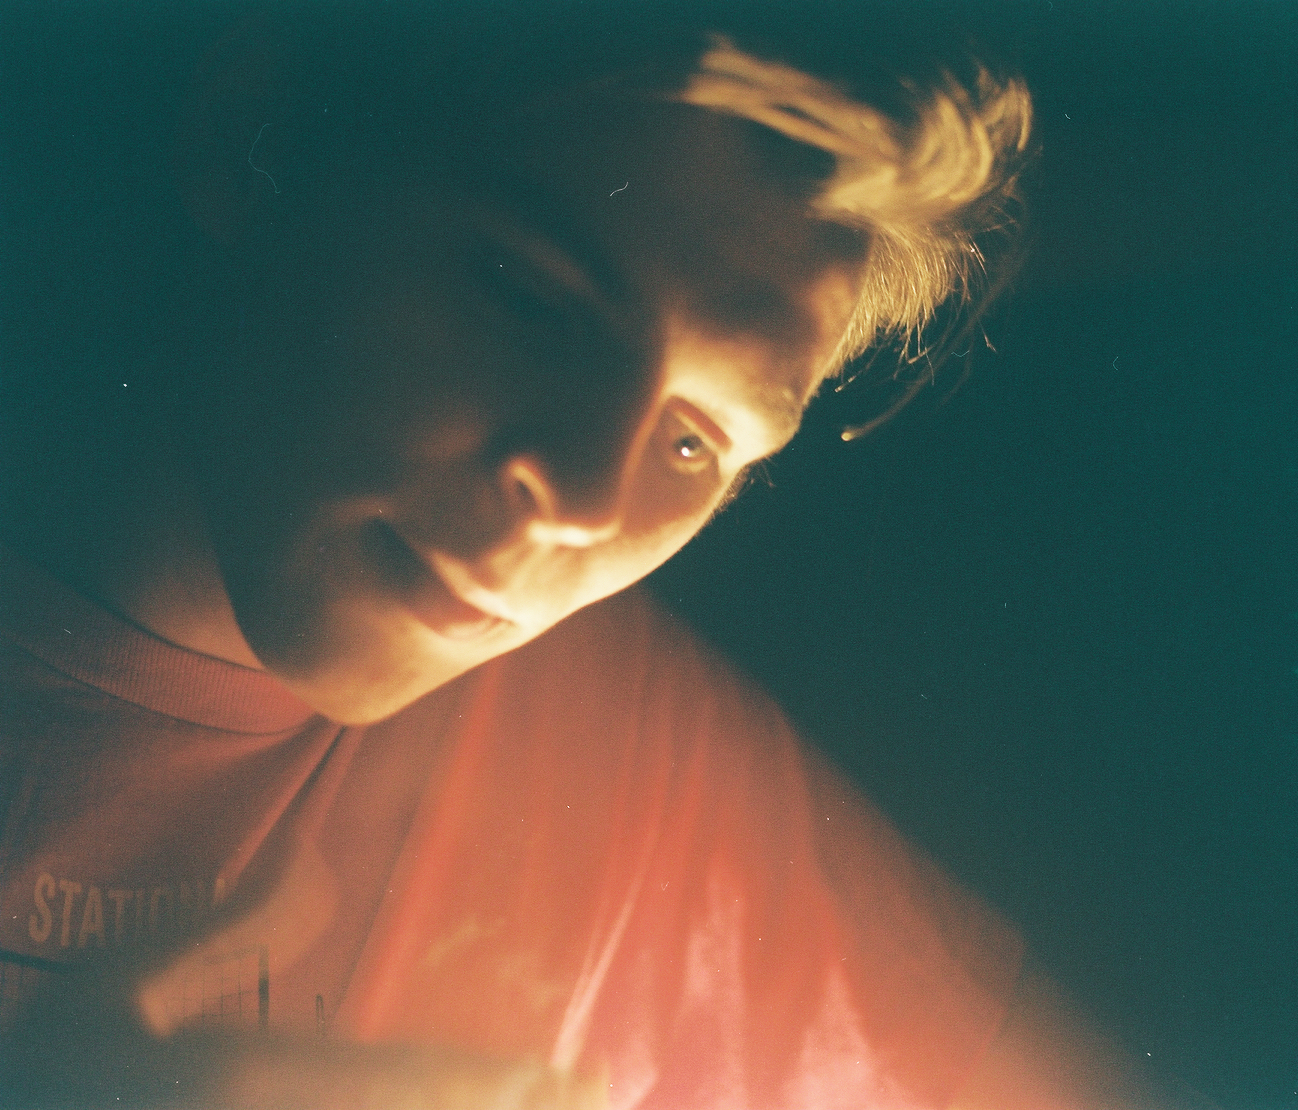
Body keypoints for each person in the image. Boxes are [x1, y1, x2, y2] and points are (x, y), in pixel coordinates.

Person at [0, 6, 1202, 1107]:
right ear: (249, 136)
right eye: (528, 297)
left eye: (693, 442)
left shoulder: (615, 748)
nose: (581, 499)